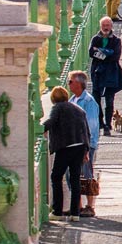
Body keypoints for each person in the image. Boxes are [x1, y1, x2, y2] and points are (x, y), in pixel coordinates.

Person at [42, 86, 90, 217]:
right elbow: (86, 130)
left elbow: (51, 122)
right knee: (75, 179)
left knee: (56, 177)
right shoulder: (78, 109)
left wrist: (40, 128)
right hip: (80, 146)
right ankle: (75, 213)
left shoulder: (57, 107)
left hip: (65, 147)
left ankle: (57, 211)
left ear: (53, 99)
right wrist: (86, 150)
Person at [67, 70, 101, 216]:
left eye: (70, 81)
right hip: (73, 144)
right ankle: (78, 205)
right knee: (71, 174)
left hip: (85, 144)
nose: (68, 84)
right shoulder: (72, 100)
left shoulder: (88, 102)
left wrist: (88, 147)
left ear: (79, 84)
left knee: (87, 174)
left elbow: (92, 125)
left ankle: (90, 206)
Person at [87, 17, 122, 134]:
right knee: (96, 101)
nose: (106, 27)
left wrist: (99, 51)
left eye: (108, 25)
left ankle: (108, 124)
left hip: (111, 74)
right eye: (104, 25)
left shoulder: (116, 41)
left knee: (109, 101)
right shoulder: (95, 39)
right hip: (97, 73)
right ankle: (100, 122)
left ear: (111, 26)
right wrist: (107, 53)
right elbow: (91, 53)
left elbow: (115, 56)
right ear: (100, 26)